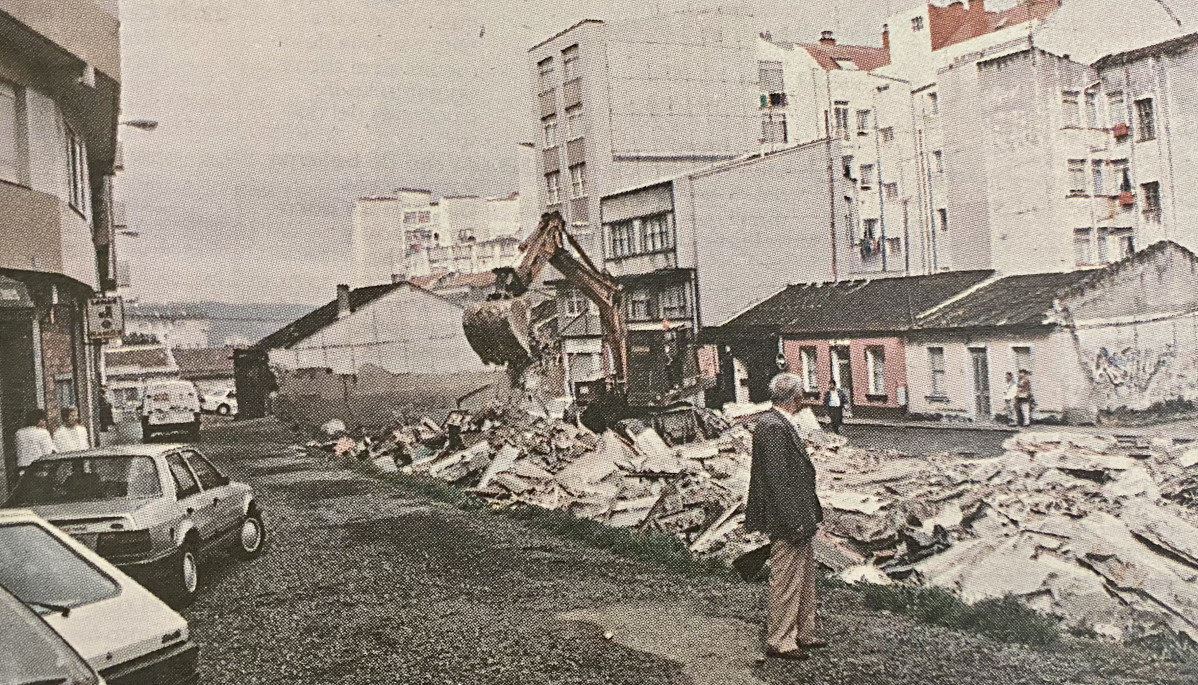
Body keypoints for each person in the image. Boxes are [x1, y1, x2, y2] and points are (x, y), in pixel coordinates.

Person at [746, 373, 826, 661]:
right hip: (787, 518)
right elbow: (778, 480)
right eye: (801, 392)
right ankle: (780, 639)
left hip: (798, 512)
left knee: (804, 577)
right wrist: (794, 521)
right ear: (795, 397)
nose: (803, 397)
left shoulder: (776, 423)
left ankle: (804, 632)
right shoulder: (773, 426)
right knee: (786, 579)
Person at [15, 409, 56, 475]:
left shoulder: (19, 433)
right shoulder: (43, 432)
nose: (45, 422)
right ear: (39, 420)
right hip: (38, 470)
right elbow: (47, 453)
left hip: (22, 471)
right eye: (43, 420)